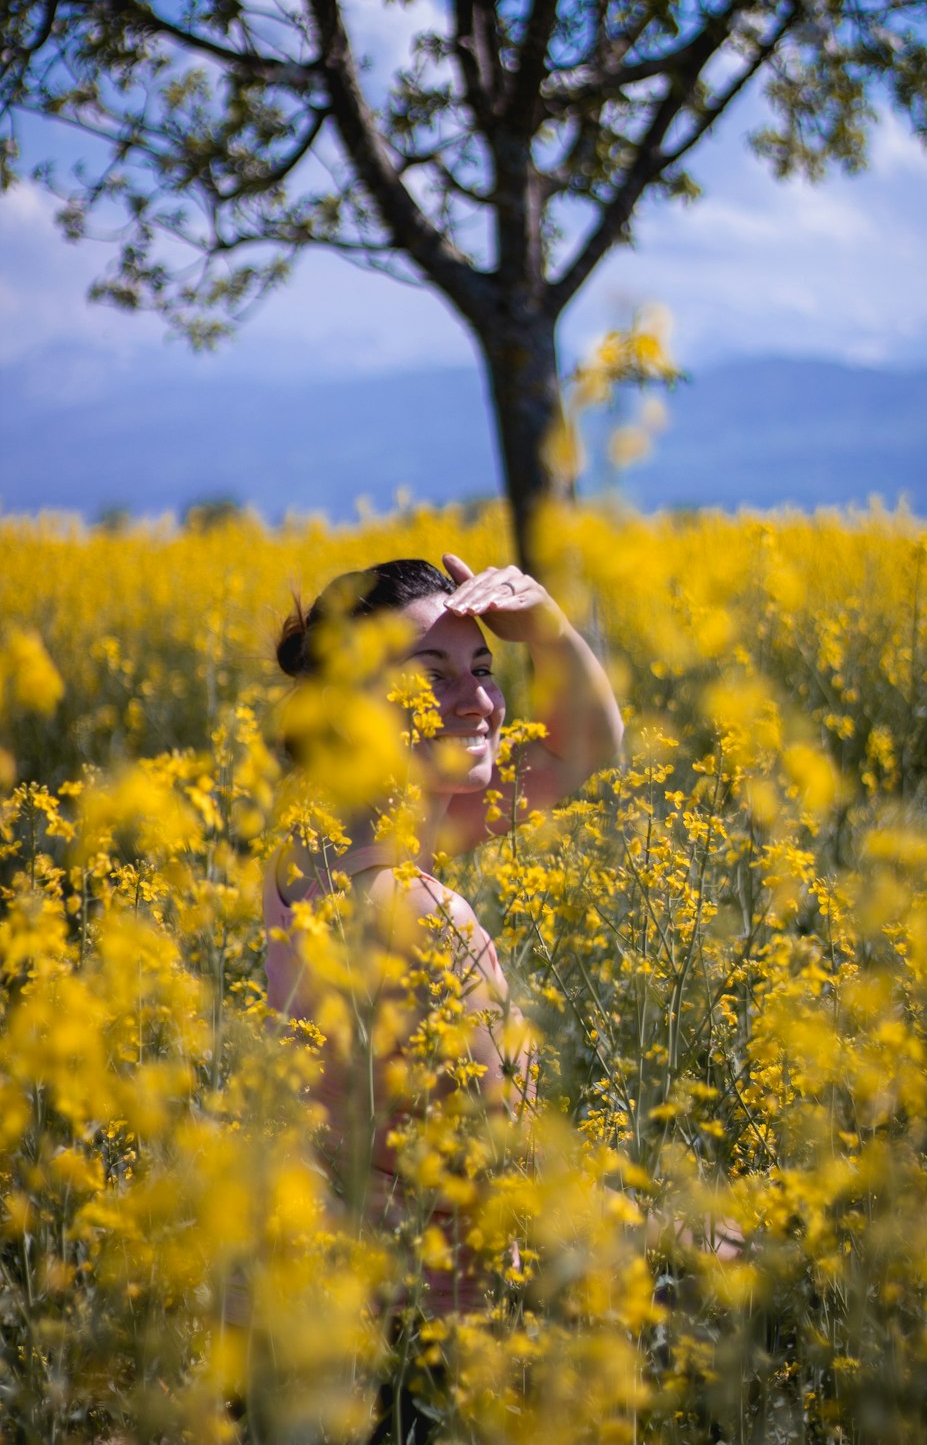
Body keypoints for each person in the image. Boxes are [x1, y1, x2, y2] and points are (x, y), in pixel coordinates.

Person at [264, 553, 624, 1442]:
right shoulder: (418, 914)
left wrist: (541, 624)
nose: (479, 702)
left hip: (326, 1338)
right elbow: (503, 1176)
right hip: (426, 1371)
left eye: (484, 671)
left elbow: (586, 750)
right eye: (431, 678)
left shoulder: (312, 845)